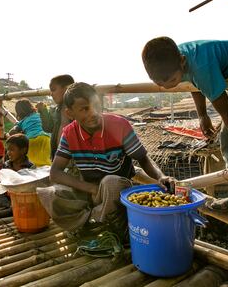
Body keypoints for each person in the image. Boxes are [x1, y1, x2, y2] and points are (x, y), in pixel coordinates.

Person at [142, 37, 228, 234]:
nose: (168, 87)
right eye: (160, 84)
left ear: (182, 61)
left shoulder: (199, 64)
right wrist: (202, 115)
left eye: (172, 81)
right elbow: (193, 82)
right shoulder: (176, 59)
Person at [37, 82, 175, 232]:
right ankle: (96, 219)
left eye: (96, 105)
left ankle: (93, 223)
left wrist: (160, 176)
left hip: (117, 192)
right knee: (50, 194)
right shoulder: (69, 133)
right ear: (70, 113)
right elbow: (55, 172)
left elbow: (143, 159)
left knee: (111, 182)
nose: (93, 113)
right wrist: (90, 188)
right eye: (84, 109)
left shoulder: (119, 125)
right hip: (89, 192)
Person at [37, 74, 75, 159]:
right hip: (57, 155)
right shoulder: (54, 110)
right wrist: (43, 111)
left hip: (74, 157)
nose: (51, 94)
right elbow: (48, 128)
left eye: (53, 90)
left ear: (67, 89)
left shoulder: (77, 110)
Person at [0, 133, 34, 207]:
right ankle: (12, 207)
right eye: (7, 150)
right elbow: (0, 186)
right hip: (9, 196)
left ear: (23, 150)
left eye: (12, 150)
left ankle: (14, 207)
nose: (8, 153)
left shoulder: (30, 167)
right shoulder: (6, 165)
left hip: (23, 196)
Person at [10, 99, 51, 167]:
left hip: (30, 140)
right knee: (46, 163)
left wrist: (20, 132)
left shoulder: (22, 121)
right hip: (46, 138)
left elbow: (12, 132)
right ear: (31, 106)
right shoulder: (38, 115)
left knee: (32, 165)